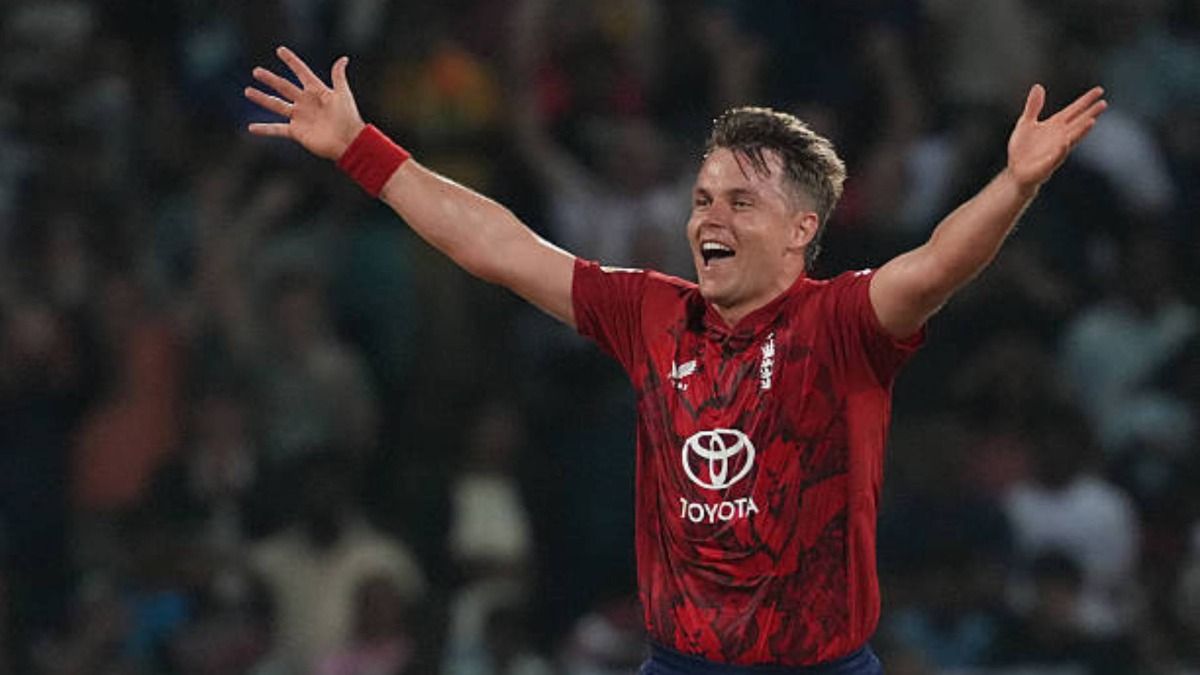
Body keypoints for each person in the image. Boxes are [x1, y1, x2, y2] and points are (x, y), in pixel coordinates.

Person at [243, 45, 1106, 674]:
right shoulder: (650, 311)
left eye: (740, 202)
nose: (709, 220)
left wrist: (1015, 184)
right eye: (701, 199)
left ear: (803, 230)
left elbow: (937, 262)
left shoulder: (841, 323)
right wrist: (364, 149)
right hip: (678, 664)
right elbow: (500, 246)